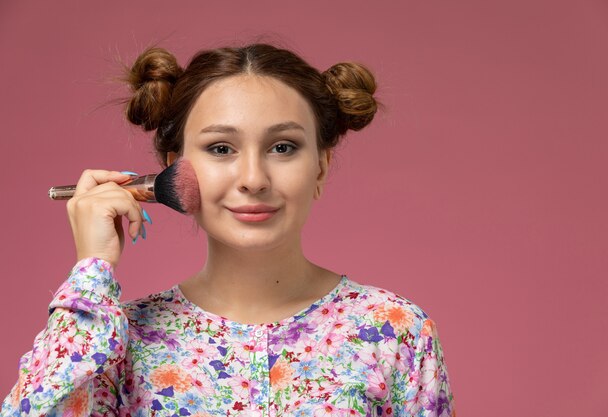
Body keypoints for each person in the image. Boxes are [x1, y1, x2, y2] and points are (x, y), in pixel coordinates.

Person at [1, 43, 455, 417]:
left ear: (320, 166)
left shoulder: (394, 330)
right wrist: (91, 272)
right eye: (221, 148)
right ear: (171, 169)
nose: (253, 178)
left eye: (283, 146)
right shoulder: (118, 340)